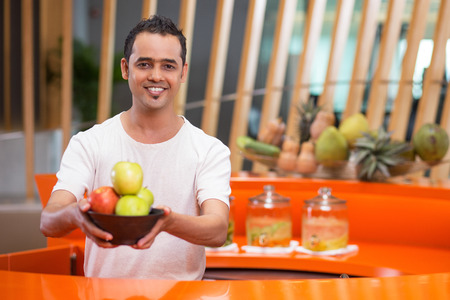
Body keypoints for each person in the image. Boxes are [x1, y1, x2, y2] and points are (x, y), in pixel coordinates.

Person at [40, 15, 231, 280]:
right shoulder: (90, 142)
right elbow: (48, 221)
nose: (156, 76)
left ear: (183, 72)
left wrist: (167, 221)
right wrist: (76, 214)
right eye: (144, 64)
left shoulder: (209, 150)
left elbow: (218, 230)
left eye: (168, 66)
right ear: (125, 68)